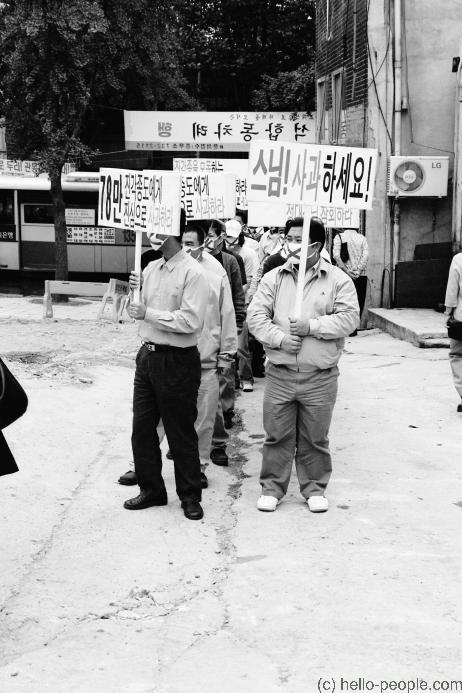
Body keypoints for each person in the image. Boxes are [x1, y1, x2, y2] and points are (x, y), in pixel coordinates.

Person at [247, 217, 359, 514]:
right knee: (276, 435)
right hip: (280, 374)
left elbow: (349, 319)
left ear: (317, 245)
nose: (292, 243)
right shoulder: (274, 278)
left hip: (320, 376)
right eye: (290, 237)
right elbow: (256, 317)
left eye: (299, 238)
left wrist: (311, 326)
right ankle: (272, 487)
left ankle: (314, 488)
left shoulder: (338, 280)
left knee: (315, 437)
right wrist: (280, 339)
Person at [124, 219, 209, 521]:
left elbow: (190, 321)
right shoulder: (149, 269)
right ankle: (151, 489)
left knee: (180, 431)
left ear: (173, 229)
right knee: (142, 429)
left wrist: (148, 312)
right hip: (147, 356)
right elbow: (136, 315)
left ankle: (189, 495)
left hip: (177, 360)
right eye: (149, 229)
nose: (151, 235)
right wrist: (134, 294)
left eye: (157, 228)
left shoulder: (193, 272)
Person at [182, 226, 238, 477]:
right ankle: (144, 466)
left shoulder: (216, 271)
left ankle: (200, 465)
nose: (186, 247)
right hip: (173, 355)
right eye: (182, 242)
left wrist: (227, 353)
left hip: (205, 356)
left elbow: (227, 314)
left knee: (205, 416)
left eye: (190, 242)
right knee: (161, 416)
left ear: (204, 241)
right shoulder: (164, 267)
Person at [204, 220, 246, 464]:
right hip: (200, 335)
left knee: (222, 383)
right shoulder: (190, 263)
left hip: (223, 329)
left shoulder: (230, 262)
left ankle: (218, 440)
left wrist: (238, 324)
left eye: (212, 235)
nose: (209, 240)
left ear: (220, 237)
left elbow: (236, 297)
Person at [224, 219, 259, 392]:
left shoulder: (248, 255)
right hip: (225, 307)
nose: (230, 241)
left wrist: (246, 303)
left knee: (241, 346)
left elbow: (251, 281)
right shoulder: (223, 257)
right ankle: (234, 379)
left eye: (233, 237)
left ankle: (247, 378)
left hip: (242, 304)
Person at [332, 226, 369, 329]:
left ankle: (344, 328)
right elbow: (366, 255)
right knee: (358, 301)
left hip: (343, 275)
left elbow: (336, 256)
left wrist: (347, 271)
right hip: (359, 276)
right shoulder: (362, 238)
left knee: (343, 302)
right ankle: (355, 328)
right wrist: (358, 271)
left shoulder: (339, 237)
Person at [444, 251, 462, 412]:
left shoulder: (459, 259)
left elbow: (452, 289)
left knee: (457, 355)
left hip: (461, 318)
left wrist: (448, 312)